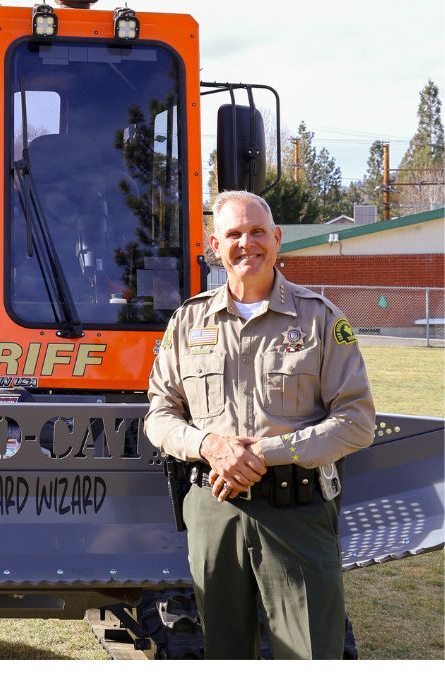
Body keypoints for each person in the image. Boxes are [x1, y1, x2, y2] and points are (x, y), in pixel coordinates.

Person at [143, 190, 375, 659]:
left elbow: (357, 422)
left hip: (298, 511)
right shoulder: (187, 322)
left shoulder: (321, 320)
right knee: (225, 655)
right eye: (233, 234)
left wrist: (262, 454)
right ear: (215, 245)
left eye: (256, 232)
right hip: (214, 511)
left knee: (309, 653)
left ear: (277, 238)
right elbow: (160, 414)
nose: (246, 243)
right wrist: (210, 446)